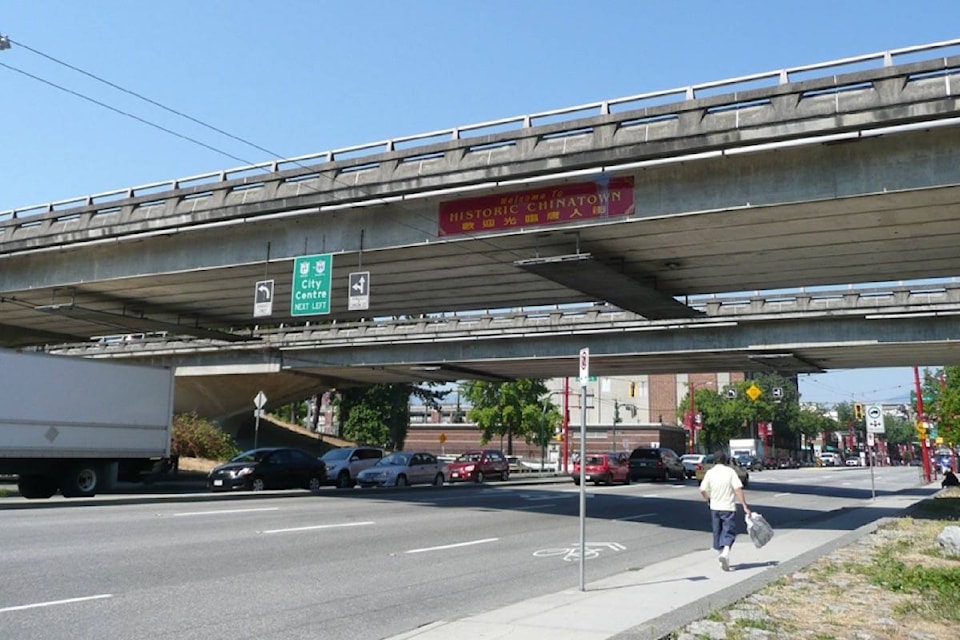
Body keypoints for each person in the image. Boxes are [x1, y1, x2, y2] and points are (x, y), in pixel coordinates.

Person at [700, 450, 751, 571]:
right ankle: (726, 553)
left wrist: (708, 499)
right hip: (728, 507)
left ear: (714, 461)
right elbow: (738, 489)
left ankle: (721, 556)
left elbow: (702, 489)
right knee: (728, 531)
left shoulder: (710, 473)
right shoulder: (730, 472)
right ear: (726, 460)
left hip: (715, 507)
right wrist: (744, 505)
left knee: (717, 532)